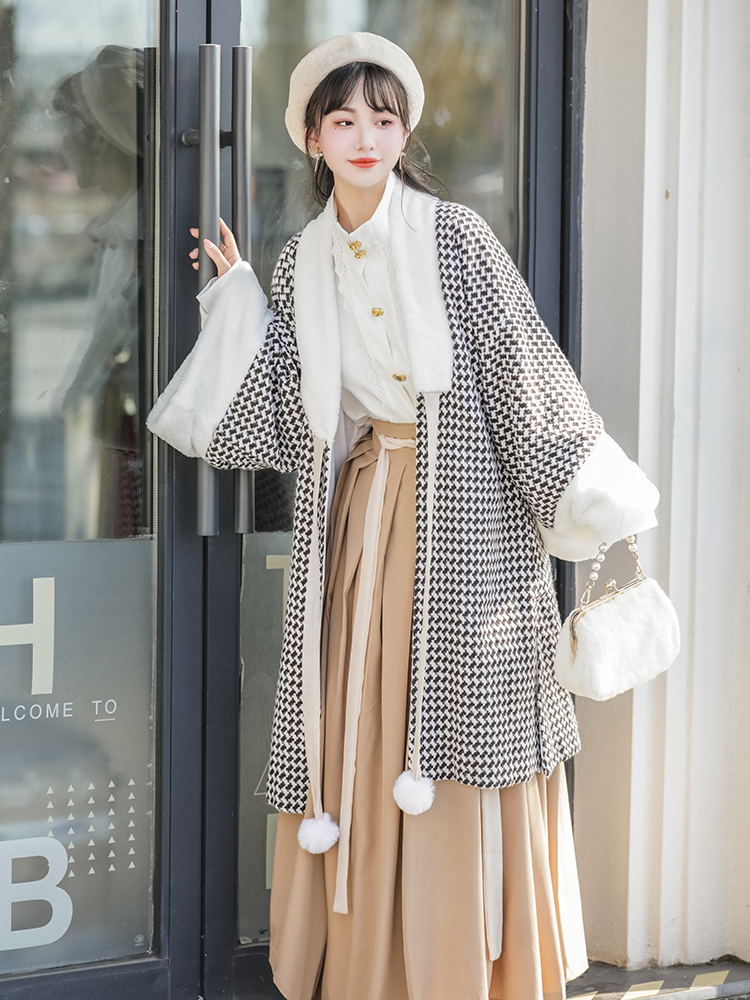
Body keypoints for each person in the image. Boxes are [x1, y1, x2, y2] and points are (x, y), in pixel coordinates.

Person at [148, 32, 659, 1000]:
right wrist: (236, 299)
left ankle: (465, 962)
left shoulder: (455, 235)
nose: (366, 137)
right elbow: (280, 406)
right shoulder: (302, 256)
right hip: (364, 511)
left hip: (467, 517)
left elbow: (521, 370)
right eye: (344, 119)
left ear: (407, 128)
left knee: (464, 713)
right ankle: (373, 960)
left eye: (383, 119)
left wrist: (601, 498)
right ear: (310, 136)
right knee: (360, 703)